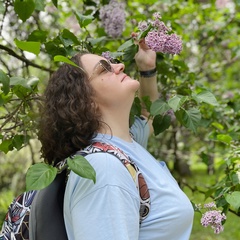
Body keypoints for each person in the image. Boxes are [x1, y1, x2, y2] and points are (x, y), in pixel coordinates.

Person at [1, 39, 194, 240]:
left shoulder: (125, 145)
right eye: (104, 69)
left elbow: (150, 116)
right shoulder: (105, 169)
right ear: (86, 100)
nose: (120, 66)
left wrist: (147, 68)